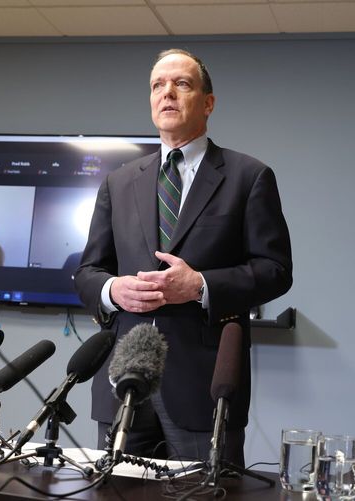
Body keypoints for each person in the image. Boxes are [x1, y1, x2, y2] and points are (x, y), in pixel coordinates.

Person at [74, 48, 292, 465]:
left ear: (208, 103)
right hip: (123, 381)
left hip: (204, 388)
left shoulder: (248, 177)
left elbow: (275, 270)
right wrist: (113, 290)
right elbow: (88, 271)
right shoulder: (119, 182)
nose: (167, 93)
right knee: (114, 493)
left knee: (205, 493)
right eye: (158, 85)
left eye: (182, 84)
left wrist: (201, 286)